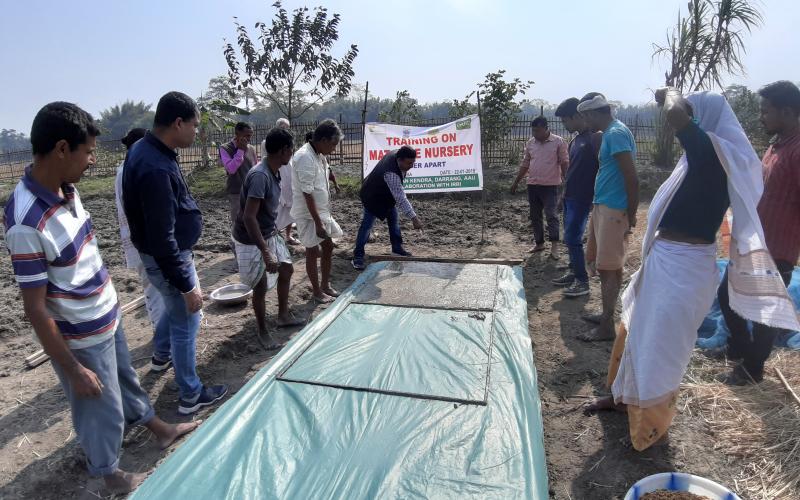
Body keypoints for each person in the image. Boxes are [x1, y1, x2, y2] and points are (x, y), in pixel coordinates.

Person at [585, 89, 799, 451]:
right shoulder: (705, 157)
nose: (690, 123)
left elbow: (676, 116)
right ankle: (622, 399)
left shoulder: (714, 154)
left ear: (708, 120)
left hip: (684, 266)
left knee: (660, 345)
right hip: (668, 260)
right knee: (636, 332)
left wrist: (671, 94)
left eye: (696, 115)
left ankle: (649, 425)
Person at [4, 102, 198, 494]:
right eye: (88, 152)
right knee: (99, 408)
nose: (93, 161)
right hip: (81, 335)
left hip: (106, 315)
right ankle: (110, 474)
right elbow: (35, 308)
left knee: (126, 380)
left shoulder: (66, 190)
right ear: (62, 148)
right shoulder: (26, 220)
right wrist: (74, 369)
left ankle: (158, 429)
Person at [123, 91, 228, 415]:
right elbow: (163, 237)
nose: (197, 132)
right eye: (194, 126)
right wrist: (187, 285)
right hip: (169, 258)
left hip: (158, 256)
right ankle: (190, 396)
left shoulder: (146, 149)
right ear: (178, 123)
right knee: (187, 319)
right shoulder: (155, 167)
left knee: (173, 308)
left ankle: (160, 355)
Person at [716, 80, 800, 385]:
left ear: (788, 112)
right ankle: (739, 347)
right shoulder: (777, 145)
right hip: (755, 242)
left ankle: (752, 369)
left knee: (766, 313)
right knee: (728, 297)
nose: (761, 116)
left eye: (766, 111)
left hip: (777, 247)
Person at [233, 127, 305, 349]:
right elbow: (248, 217)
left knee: (286, 269)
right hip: (250, 237)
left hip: (268, 232)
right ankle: (262, 331)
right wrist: (265, 251)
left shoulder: (274, 170)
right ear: (284, 150)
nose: (292, 153)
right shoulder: (260, 176)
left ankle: (283, 315)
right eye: (291, 149)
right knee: (260, 285)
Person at [575, 93, 639, 342]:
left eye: (586, 117)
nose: (586, 123)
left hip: (614, 210)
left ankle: (606, 327)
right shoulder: (613, 132)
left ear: (593, 114)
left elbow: (631, 178)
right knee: (610, 266)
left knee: (607, 269)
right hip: (605, 206)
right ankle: (606, 315)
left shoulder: (615, 134)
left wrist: (631, 214)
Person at [114, 128, 165, 329]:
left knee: (154, 288)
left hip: (140, 238)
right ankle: (162, 340)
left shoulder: (126, 168)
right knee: (154, 289)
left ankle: (162, 338)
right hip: (144, 240)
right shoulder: (130, 170)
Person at [290, 119, 344, 303]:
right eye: (334, 144)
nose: (334, 149)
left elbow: (324, 178)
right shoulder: (305, 157)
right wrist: (318, 223)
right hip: (308, 214)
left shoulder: (319, 154)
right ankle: (317, 291)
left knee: (328, 246)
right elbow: (307, 194)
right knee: (312, 251)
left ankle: (325, 285)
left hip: (321, 212)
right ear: (323, 140)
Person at [552, 98, 601, 297]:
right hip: (570, 197)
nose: (564, 124)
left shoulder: (594, 139)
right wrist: (563, 195)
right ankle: (573, 272)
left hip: (583, 197)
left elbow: (601, 168)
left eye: (565, 120)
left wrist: (594, 197)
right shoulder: (575, 140)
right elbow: (572, 170)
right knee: (569, 238)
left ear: (576, 116)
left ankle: (582, 281)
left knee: (573, 238)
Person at [352, 145, 424, 270]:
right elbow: (401, 198)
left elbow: (397, 194)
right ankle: (358, 256)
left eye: (413, 162)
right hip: (372, 196)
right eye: (409, 163)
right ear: (400, 160)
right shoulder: (391, 173)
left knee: (394, 220)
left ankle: (397, 248)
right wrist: (414, 218)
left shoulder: (397, 154)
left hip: (386, 196)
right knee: (367, 226)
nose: (411, 166)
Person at [511, 116, 569, 259]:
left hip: (550, 186)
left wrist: (567, 180)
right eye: (533, 130)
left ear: (546, 128)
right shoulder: (531, 143)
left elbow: (564, 162)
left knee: (551, 215)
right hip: (533, 185)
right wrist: (516, 182)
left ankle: (555, 246)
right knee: (535, 216)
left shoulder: (558, 142)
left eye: (538, 130)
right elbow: (525, 163)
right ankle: (539, 243)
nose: (535, 133)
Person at [219, 122, 258, 252]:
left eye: (250, 135)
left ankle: (250, 250)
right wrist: (240, 151)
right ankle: (238, 253)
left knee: (252, 220)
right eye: (246, 135)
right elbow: (231, 169)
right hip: (236, 192)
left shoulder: (251, 148)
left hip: (251, 191)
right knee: (237, 222)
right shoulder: (225, 148)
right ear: (237, 134)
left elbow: (255, 168)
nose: (249, 138)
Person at [272, 118, 302, 246]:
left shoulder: (289, 142)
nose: (285, 129)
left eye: (286, 127)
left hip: (289, 177)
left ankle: (288, 236)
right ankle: (275, 235)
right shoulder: (269, 142)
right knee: (277, 208)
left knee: (291, 208)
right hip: (278, 177)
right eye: (283, 127)